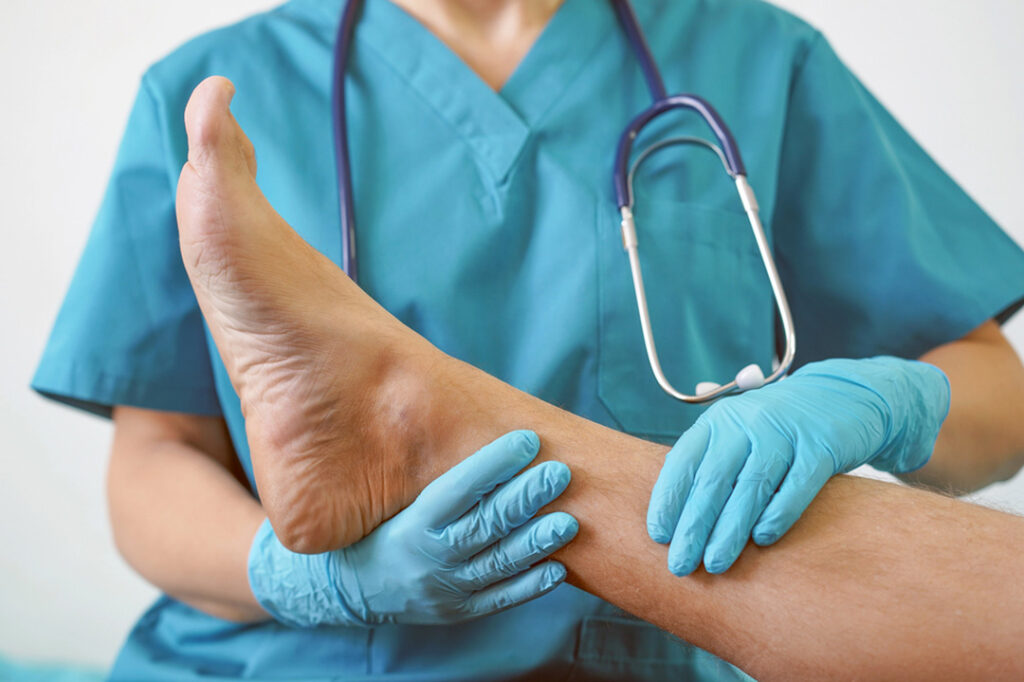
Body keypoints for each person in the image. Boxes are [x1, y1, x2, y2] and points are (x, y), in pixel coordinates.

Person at [33, 0, 1024, 679]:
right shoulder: (230, 86)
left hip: (655, 649)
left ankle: (424, 415)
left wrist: (886, 401)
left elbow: (1001, 397)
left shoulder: (757, 57)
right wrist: (305, 578)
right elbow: (152, 459)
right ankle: (419, 414)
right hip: (307, 659)